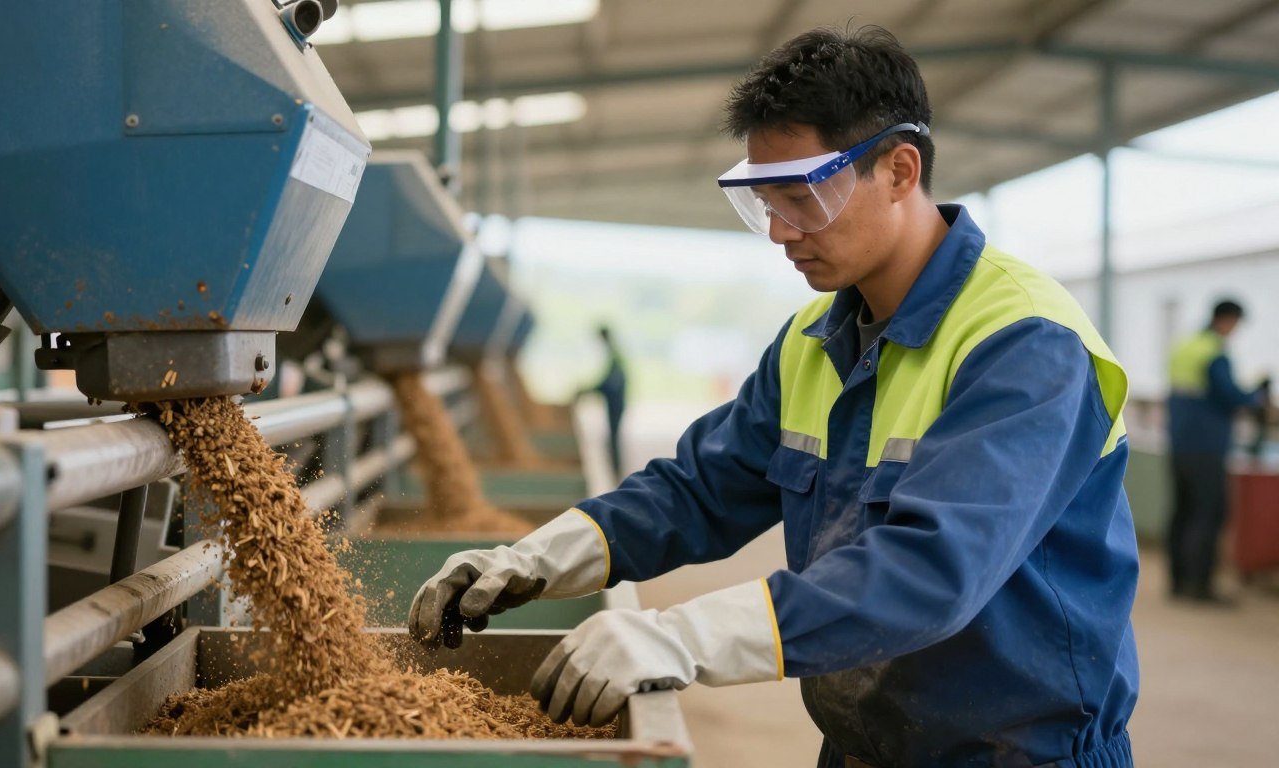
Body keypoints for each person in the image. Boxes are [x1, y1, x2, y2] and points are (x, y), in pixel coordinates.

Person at [409, 26, 1138, 768]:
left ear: (899, 169)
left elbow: (930, 571)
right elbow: (699, 490)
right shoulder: (814, 341)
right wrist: (540, 556)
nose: (782, 232)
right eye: (765, 203)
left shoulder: (1023, 343)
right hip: (861, 747)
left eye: (803, 197)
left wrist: (682, 636)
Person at [1166, 300, 1269, 603]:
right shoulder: (1214, 352)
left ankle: (1179, 582)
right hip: (1207, 446)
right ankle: (1200, 586)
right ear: (1227, 320)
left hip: (1180, 442)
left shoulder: (1185, 345)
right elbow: (1230, 396)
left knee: (1182, 511)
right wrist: (1257, 394)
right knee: (1208, 512)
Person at [579, 325, 627, 478]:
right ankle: (615, 468)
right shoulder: (615, 353)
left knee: (613, 437)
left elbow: (610, 383)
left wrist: (589, 390)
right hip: (615, 402)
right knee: (612, 436)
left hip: (615, 404)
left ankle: (616, 469)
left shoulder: (614, 354)